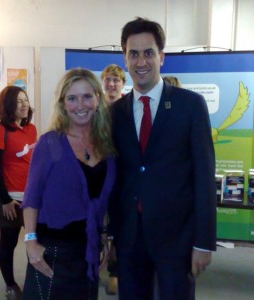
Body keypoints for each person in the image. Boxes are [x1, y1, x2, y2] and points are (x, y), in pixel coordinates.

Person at [110, 17, 217, 300]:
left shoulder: (190, 106)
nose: (141, 61)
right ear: (125, 58)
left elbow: (204, 176)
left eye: (149, 53)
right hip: (130, 236)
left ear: (162, 57)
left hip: (177, 237)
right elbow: (115, 176)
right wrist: (109, 234)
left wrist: (204, 242)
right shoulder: (114, 114)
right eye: (133, 54)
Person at [21, 68, 116, 300]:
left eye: (87, 96)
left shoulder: (107, 146)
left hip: (88, 250)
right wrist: (31, 243)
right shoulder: (50, 143)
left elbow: (101, 201)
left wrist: (103, 238)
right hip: (52, 251)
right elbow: (31, 197)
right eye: (72, 98)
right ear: (63, 104)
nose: (80, 105)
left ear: (97, 98)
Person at [0, 85, 37, 300]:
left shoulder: (31, 129)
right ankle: (11, 286)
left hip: (31, 198)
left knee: (34, 240)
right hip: (9, 199)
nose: (24, 104)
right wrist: (4, 200)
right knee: (9, 242)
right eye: (19, 101)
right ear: (8, 105)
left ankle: (33, 283)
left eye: (26, 100)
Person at [100, 64, 126, 295]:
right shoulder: (95, 108)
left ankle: (115, 272)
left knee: (117, 225)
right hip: (98, 172)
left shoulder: (129, 108)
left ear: (123, 84)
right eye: (108, 80)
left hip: (121, 174)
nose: (111, 84)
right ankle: (95, 263)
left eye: (116, 80)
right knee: (98, 223)